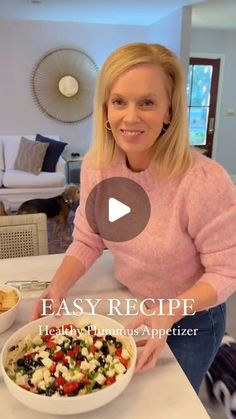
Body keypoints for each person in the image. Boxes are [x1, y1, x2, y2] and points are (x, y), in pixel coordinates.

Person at [32, 43, 236, 393]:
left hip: (192, 318)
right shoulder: (97, 167)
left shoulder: (204, 181)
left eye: (147, 102)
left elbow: (227, 270)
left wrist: (170, 313)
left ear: (169, 111)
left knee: (167, 402)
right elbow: (88, 238)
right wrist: (58, 287)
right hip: (131, 301)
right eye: (119, 101)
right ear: (106, 108)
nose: (130, 117)